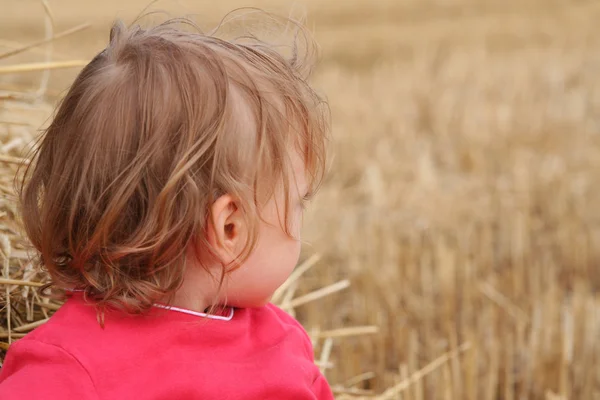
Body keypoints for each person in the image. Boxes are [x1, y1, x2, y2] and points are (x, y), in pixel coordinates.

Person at [0, 11, 332, 399]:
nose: (300, 220)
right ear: (230, 228)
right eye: (297, 204)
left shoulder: (285, 341)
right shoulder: (64, 371)